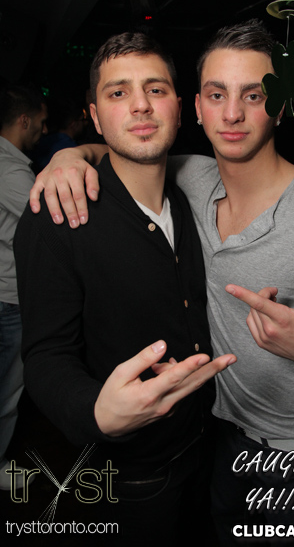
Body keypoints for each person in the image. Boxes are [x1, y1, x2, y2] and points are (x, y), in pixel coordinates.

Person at [28, 20, 294, 544]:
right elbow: (125, 149)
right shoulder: (191, 176)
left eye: (254, 95)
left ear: (280, 105)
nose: (232, 114)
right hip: (212, 431)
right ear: (196, 108)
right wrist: (68, 156)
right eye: (217, 94)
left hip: (288, 452)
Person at [14, 32, 236, 546]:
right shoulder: (56, 217)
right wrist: (95, 410)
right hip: (135, 476)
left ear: (180, 108)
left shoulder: (193, 197)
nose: (140, 105)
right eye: (118, 93)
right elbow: (45, 354)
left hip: (209, 448)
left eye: (155, 89)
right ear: (95, 116)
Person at [0, 83, 47, 490]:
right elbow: (52, 219)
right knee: (7, 390)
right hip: (8, 299)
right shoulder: (11, 170)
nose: (44, 131)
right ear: (24, 121)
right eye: (41, 123)